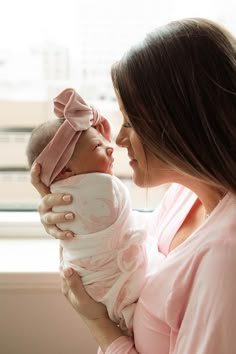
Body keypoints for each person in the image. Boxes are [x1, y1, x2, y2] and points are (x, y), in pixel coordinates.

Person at [31, 18, 236, 354]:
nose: (120, 139)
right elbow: (126, 254)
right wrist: (80, 217)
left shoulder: (225, 261)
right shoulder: (185, 196)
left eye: (130, 121)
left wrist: (99, 325)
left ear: (180, 122)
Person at [26, 87, 162, 333]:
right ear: (67, 172)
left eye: (130, 123)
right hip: (110, 280)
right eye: (97, 147)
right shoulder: (97, 190)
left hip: (99, 288)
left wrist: (97, 322)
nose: (113, 144)